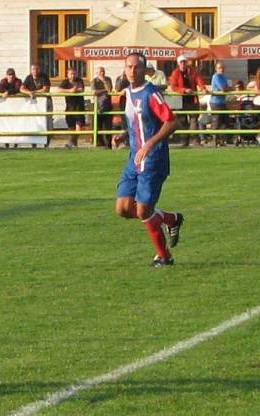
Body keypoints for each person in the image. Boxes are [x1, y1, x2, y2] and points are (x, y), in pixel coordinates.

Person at [114, 53, 184, 268]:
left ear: (144, 70)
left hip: (153, 159)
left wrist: (150, 143)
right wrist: (123, 136)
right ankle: (171, 219)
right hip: (134, 158)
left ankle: (164, 257)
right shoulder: (128, 92)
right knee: (123, 209)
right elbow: (137, 125)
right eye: (128, 67)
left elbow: (171, 122)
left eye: (136, 67)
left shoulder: (151, 93)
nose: (132, 71)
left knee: (143, 210)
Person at [168, 55, 206, 147]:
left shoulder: (192, 71)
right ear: (178, 63)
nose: (183, 64)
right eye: (181, 62)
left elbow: (198, 79)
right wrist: (184, 90)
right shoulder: (175, 73)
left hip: (193, 100)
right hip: (181, 100)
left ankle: (195, 140)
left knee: (194, 120)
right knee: (183, 121)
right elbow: (173, 87)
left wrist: (203, 87)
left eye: (184, 62)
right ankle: (185, 141)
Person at [21, 63, 51, 148]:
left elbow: (46, 89)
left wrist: (34, 92)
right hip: (34, 104)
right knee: (33, 121)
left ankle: (46, 144)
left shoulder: (44, 76)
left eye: (36, 69)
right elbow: (21, 89)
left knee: (47, 121)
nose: (35, 71)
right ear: (31, 70)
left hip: (45, 102)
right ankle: (33, 143)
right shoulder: (28, 77)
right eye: (33, 69)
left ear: (39, 69)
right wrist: (29, 92)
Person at [58, 67, 85, 149]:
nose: (73, 76)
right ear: (68, 74)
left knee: (78, 126)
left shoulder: (79, 80)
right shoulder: (65, 81)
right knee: (70, 127)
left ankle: (71, 142)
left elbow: (81, 89)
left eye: (74, 74)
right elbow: (59, 89)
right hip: (69, 107)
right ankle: (74, 144)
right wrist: (70, 91)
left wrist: (75, 90)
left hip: (79, 107)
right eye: (71, 74)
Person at [208, 62, 231, 147]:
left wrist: (227, 89)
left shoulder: (224, 77)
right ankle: (215, 141)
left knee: (225, 121)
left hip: (222, 102)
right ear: (216, 69)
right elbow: (223, 88)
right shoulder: (216, 76)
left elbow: (226, 88)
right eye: (219, 68)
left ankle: (222, 140)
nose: (221, 69)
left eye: (222, 68)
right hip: (215, 102)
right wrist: (228, 89)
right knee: (216, 122)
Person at [90, 66, 113, 148]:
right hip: (98, 105)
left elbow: (110, 89)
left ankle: (108, 144)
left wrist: (104, 82)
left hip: (107, 105)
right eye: (100, 72)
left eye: (103, 71)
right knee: (97, 125)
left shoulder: (108, 79)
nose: (102, 73)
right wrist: (104, 90)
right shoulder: (94, 81)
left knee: (108, 126)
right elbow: (94, 92)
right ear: (96, 73)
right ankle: (99, 144)